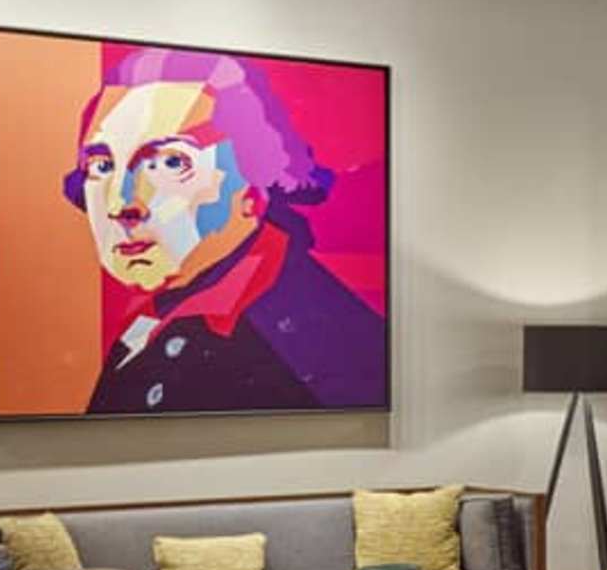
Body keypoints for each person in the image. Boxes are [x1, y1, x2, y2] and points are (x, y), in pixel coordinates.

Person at [65, 48, 386, 413]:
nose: (120, 204)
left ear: (256, 184)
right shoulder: (161, 316)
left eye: (171, 162)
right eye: (101, 165)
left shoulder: (306, 350)